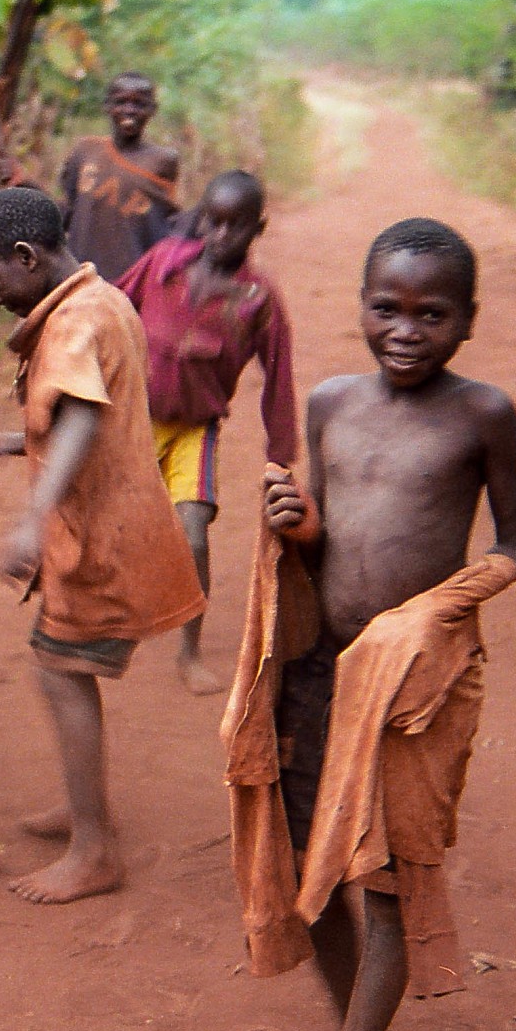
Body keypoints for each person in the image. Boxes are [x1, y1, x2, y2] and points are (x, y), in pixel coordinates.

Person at [222, 217, 516, 1031]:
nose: (406, 329)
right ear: (360, 307)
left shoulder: (483, 415)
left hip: (411, 691)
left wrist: (444, 608)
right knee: (313, 875)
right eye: (386, 308)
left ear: (467, 322)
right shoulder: (328, 401)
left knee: (387, 890)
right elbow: (329, 531)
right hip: (321, 672)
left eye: (432, 313)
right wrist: (297, 526)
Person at [0, 187, 203, 904]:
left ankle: (95, 848)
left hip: (103, 542)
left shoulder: (71, 323)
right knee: (58, 665)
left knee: (61, 669)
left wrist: (29, 518)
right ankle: (82, 806)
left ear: (26, 257)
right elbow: (93, 407)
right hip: (112, 527)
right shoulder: (103, 298)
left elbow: (79, 422)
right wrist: (23, 439)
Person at [115, 169, 298, 694]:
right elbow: (108, 307)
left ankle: (189, 649)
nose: (221, 236)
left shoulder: (257, 300)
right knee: (112, 521)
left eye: (235, 226)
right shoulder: (162, 265)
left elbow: (279, 377)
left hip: (194, 431)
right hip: (133, 418)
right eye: (213, 222)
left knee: (192, 533)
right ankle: (111, 615)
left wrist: (279, 456)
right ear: (201, 218)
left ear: (256, 229)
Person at [56, 71, 183, 282]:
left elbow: (160, 221)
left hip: (131, 281)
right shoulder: (86, 151)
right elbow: (69, 210)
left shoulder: (163, 160)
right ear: (107, 105)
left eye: (139, 104)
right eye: (121, 102)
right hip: (79, 275)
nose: (129, 110)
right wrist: (23, 183)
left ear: (152, 109)